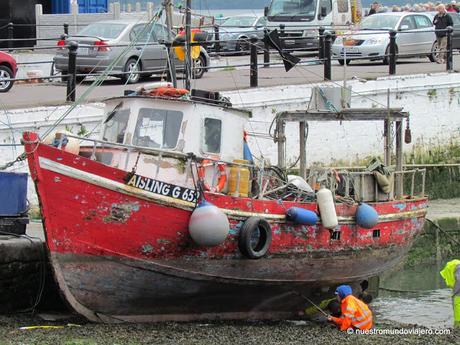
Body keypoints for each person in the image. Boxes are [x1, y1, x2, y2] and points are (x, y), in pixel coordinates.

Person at [440, 259, 460, 328]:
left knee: (457, 306)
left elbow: (458, 281)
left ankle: (457, 325)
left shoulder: (457, 268)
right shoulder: (455, 267)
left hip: (458, 294)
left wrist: (455, 292)